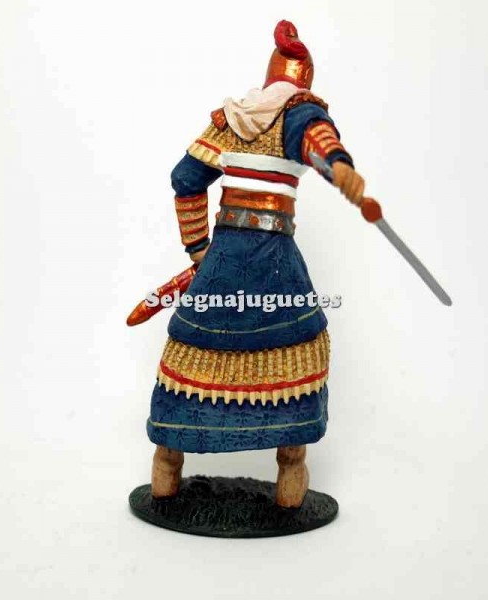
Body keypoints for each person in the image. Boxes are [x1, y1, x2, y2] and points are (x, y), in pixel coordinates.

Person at [147, 20, 366, 508]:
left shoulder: (231, 118)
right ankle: (289, 488)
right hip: (276, 263)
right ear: (303, 82)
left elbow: (185, 179)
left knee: (194, 350)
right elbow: (318, 142)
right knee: (295, 345)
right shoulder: (300, 111)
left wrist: (199, 249)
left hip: (221, 259)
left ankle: (166, 477)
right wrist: (340, 170)